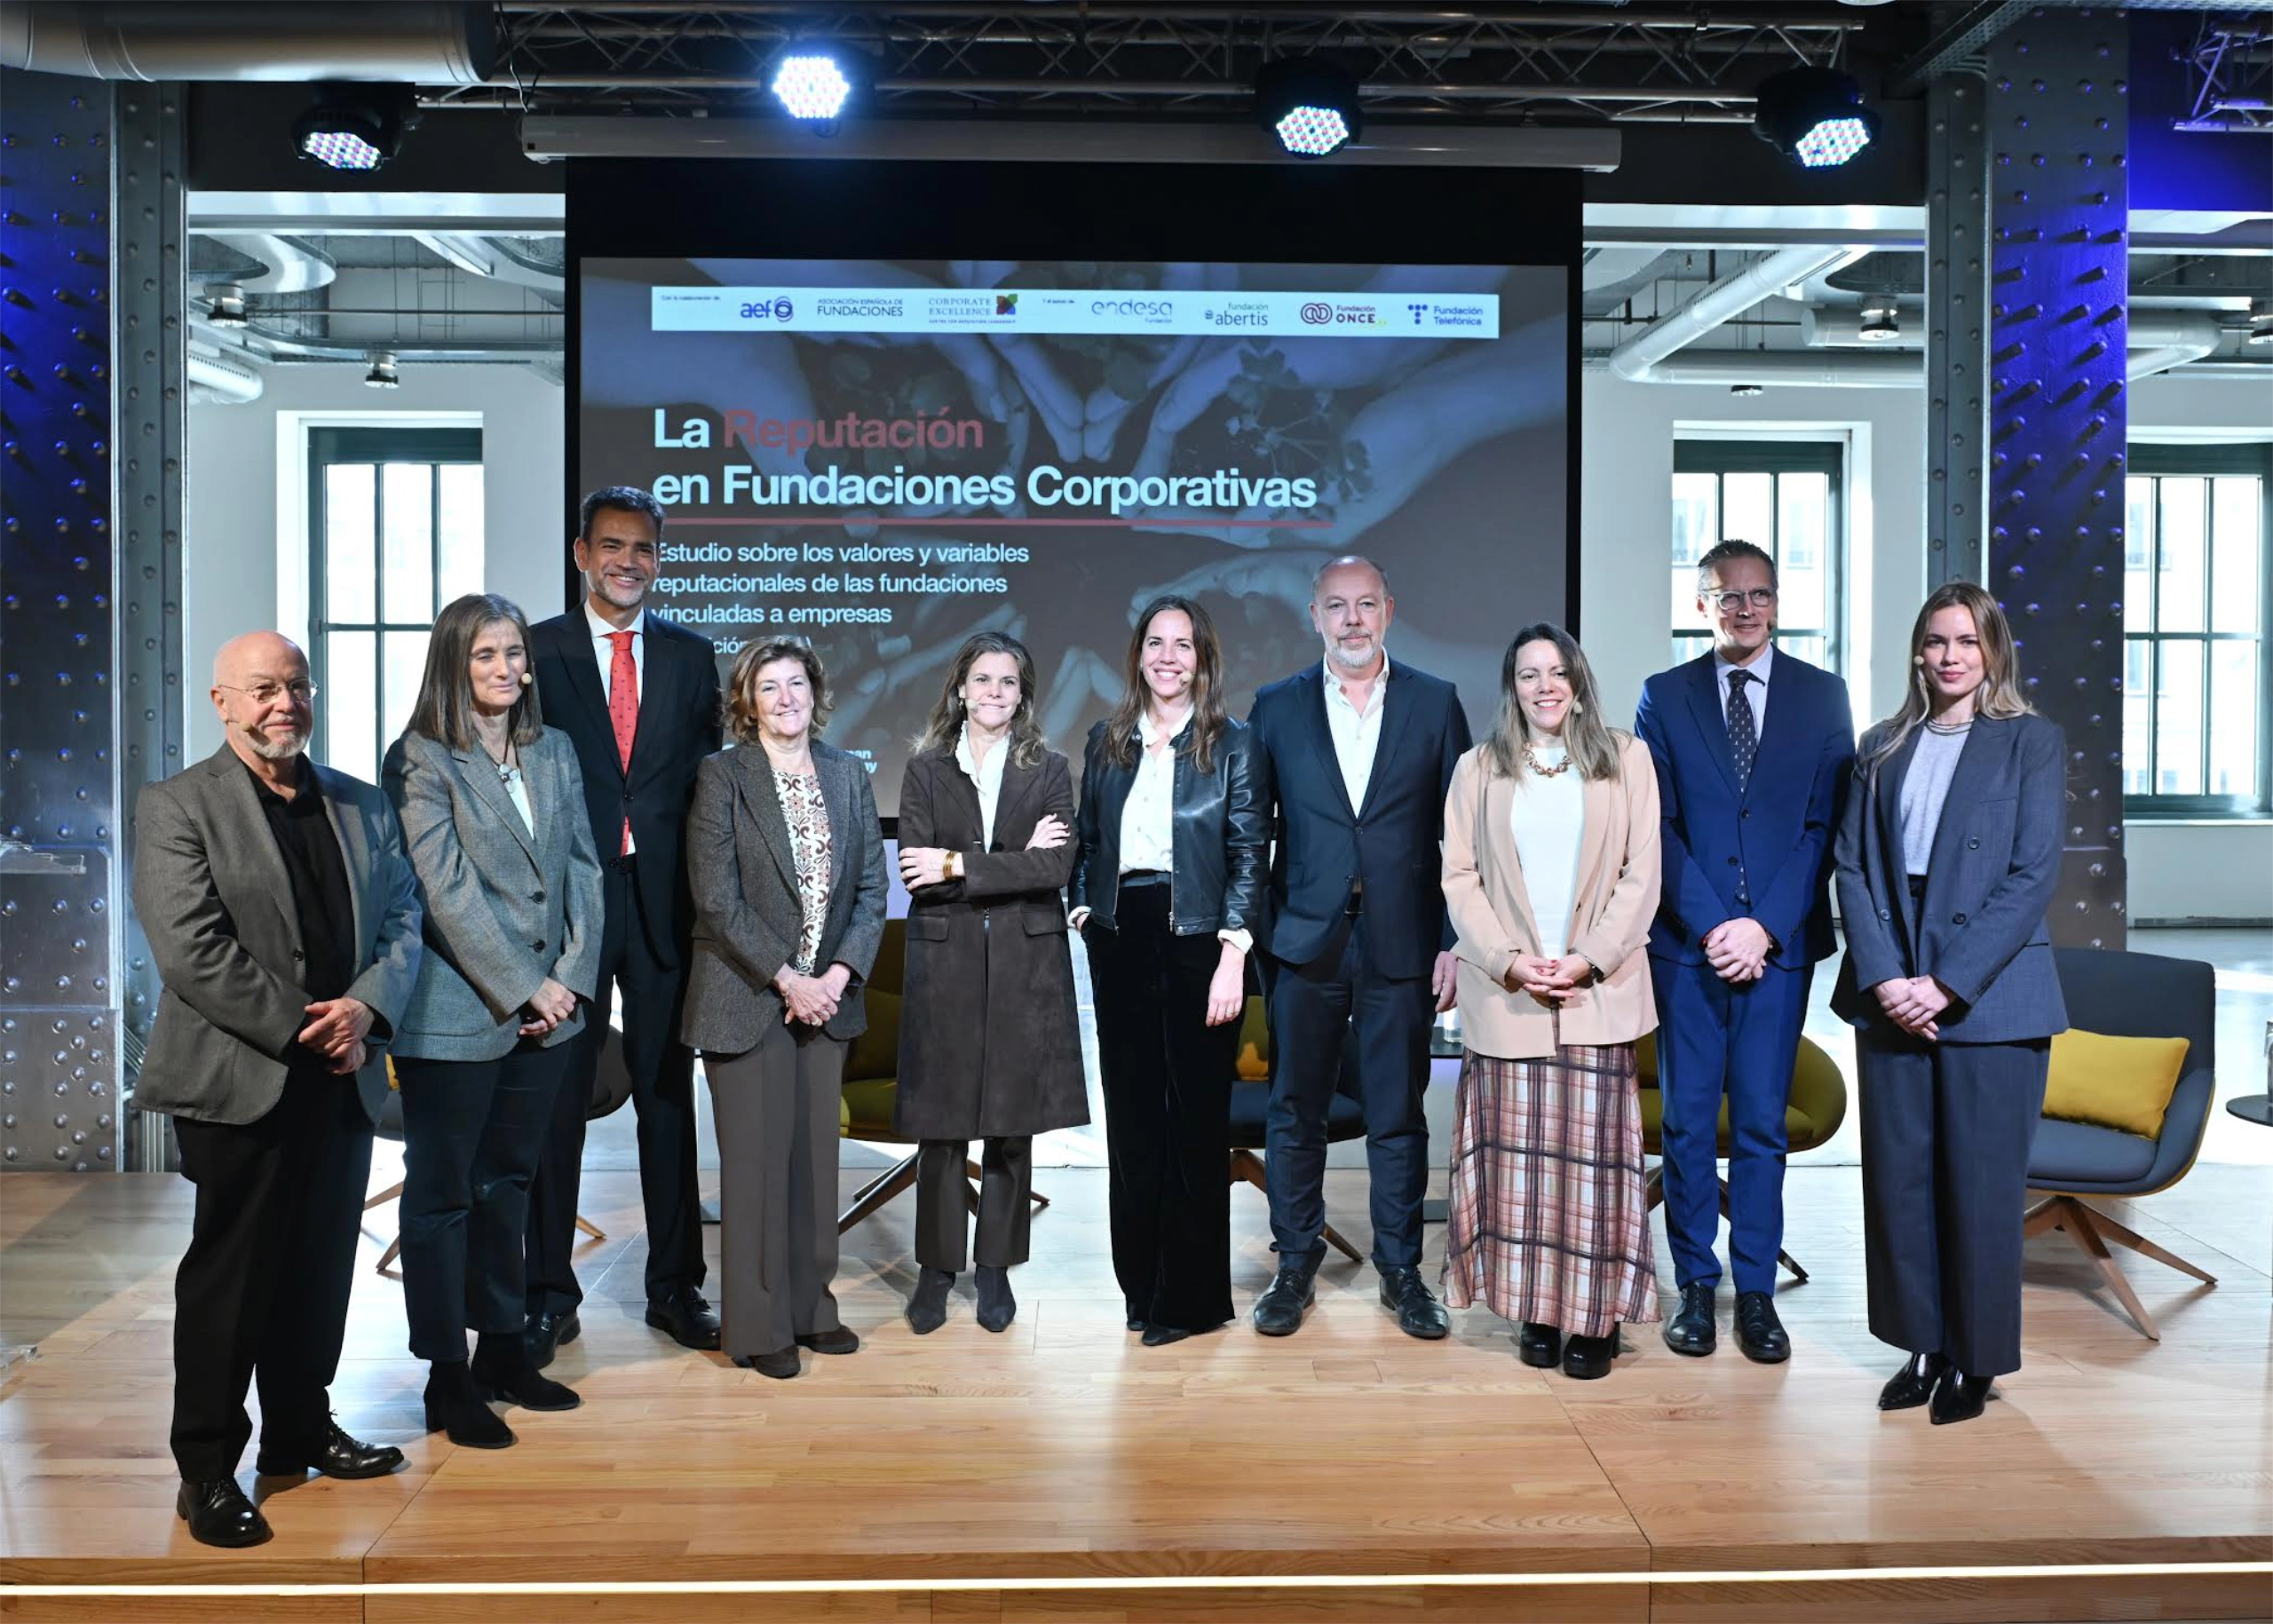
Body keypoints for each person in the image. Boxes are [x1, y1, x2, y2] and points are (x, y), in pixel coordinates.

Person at [134, 632, 424, 1548]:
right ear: (223, 700)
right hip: (240, 1078)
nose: (283, 703)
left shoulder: (362, 804)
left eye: (296, 685)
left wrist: (368, 1008)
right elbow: (191, 948)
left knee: (316, 1269)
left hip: (341, 1077)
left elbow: (406, 922)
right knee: (233, 1276)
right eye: (263, 688)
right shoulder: (178, 804)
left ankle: (300, 1430)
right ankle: (208, 1468)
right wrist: (313, 1021)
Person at [1832, 582, 2066, 1425]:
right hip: (1892, 979)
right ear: (1917, 652)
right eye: (1935, 641)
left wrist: (1946, 982)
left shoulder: (2029, 742)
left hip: (1989, 991)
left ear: (1993, 650)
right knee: (1900, 1181)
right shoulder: (1881, 745)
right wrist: (1890, 977)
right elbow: (1853, 865)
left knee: (1980, 1184)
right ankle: (1921, 1343)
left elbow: (2033, 872)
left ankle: (1976, 1358)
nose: (1950, 656)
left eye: (1966, 641)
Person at [384, 594, 606, 1448]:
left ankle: (503, 1350)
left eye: (515, 653)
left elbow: (585, 868)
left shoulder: (553, 750)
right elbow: (443, 893)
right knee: (442, 1197)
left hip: (552, 1011)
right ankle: (445, 1378)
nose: (507, 668)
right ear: (453, 662)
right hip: (459, 1012)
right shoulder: (420, 759)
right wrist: (523, 986)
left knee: (508, 1183)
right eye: (485, 655)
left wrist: (572, 980)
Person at [1634, 539, 1853, 1365]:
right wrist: (1713, 924)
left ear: (1777, 602)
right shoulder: (1664, 696)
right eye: (1727, 595)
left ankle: (1755, 1292)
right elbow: (1655, 826)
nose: (1745, 607)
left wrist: (1762, 928)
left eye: (1759, 593)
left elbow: (1821, 830)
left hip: (1781, 947)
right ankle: (1696, 1282)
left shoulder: (1824, 696)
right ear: (1701, 606)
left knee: (1760, 1123)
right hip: (1688, 950)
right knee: (1689, 1123)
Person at [1245, 556, 1471, 1339]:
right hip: (1303, 942)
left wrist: (1454, 941)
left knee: (1397, 1114)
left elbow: (1461, 839)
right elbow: (1253, 836)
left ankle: (1402, 1271)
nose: (1351, 620)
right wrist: (1254, 940)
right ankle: (1295, 1261)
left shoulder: (1437, 704)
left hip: (1403, 944)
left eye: (1365, 604)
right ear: (1314, 616)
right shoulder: (1274, 709)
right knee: (1295, 1109)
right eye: (1336, 606)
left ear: (1389, 610)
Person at [525, 486, 724, 1364]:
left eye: (643, 548)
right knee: (556, 1101)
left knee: (666, 1098)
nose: (628, 561)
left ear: (659, 557)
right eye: (612, 545)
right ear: (580, 553)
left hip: (663, 908)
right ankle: (544, 1292)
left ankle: (677, 1286)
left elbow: (706, 786)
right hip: (569, 908)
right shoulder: (536, 650)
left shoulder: (690, 656)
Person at [1439, 626, 1663, 1380]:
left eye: (1558, 671)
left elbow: (1642, 875)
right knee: (1520, 1170)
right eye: (1530, 674)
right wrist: (1510, 962)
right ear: (1512, 685)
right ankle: (1536, 1308)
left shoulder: (1625, 758)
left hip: (1595, 994)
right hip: (1511, 997)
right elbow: (1459, 879)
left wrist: (1586, 960)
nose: (1545, 686)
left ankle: (1594, 1318)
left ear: (1579, 679)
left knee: (1592, 1168)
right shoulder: (1479, 767)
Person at [682, 638, 887, 1378]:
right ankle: (758, 1326)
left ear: (815, 691)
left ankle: (811, 1311)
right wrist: (787, 979)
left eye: (796, 683)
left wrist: (835, 973)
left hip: (827, 998)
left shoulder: (848, 774)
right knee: (757, 1170)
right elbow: (717, 897)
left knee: (812, 1166)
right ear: (748, 702)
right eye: (768, 687)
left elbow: (870, 889)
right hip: (745, 997)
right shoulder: (723, 776)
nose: (786, 698)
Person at [1071, 596, 1268, 1346]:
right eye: (1156, 643)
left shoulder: (1235, 744)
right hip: (1123, 935)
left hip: (1201, 941)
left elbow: (1250, 856)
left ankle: (1189, 1300)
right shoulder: (1107, 739)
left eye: (1183, 645)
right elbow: (1089, 841)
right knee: (1134, 1122)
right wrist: (1083, 913)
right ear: (1138, 654)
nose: (1168, 656)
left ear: (1203, 658)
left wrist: (1233, 953)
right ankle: (1140, 1288)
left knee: (1192, 1122)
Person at [894, 632, 1086, 1335]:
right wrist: (1001, 863)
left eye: (1008, 682)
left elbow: (1055, 870)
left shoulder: (1050, 768)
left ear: (1023, 695)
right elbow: (917, 871)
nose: (995, 692)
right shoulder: (923, 768)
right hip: (944, 960)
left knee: (1011, 1123)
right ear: (961, 688)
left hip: (1023, 962)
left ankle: (997, 1266)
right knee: (942, 1126)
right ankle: (937, 1270)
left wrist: (959, 865)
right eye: (983, 679)